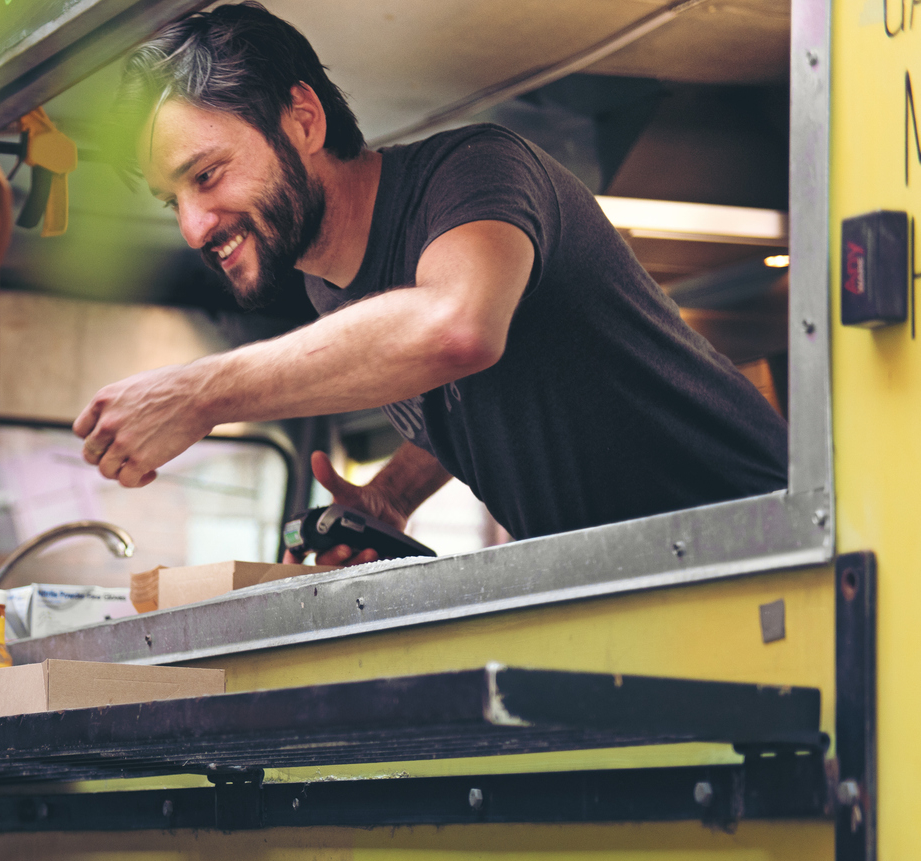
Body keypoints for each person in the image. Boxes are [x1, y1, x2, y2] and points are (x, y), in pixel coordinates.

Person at [72, 3, 788, 561]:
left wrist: (199, 394)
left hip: (768, 535)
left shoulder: (473, 172)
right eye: (174, 201)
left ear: (302, 120)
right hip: (636, 572)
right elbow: (475, 389)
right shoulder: (330, 291)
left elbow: (457, 328)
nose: (194, 228)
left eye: (205, 175)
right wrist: (391, 495)